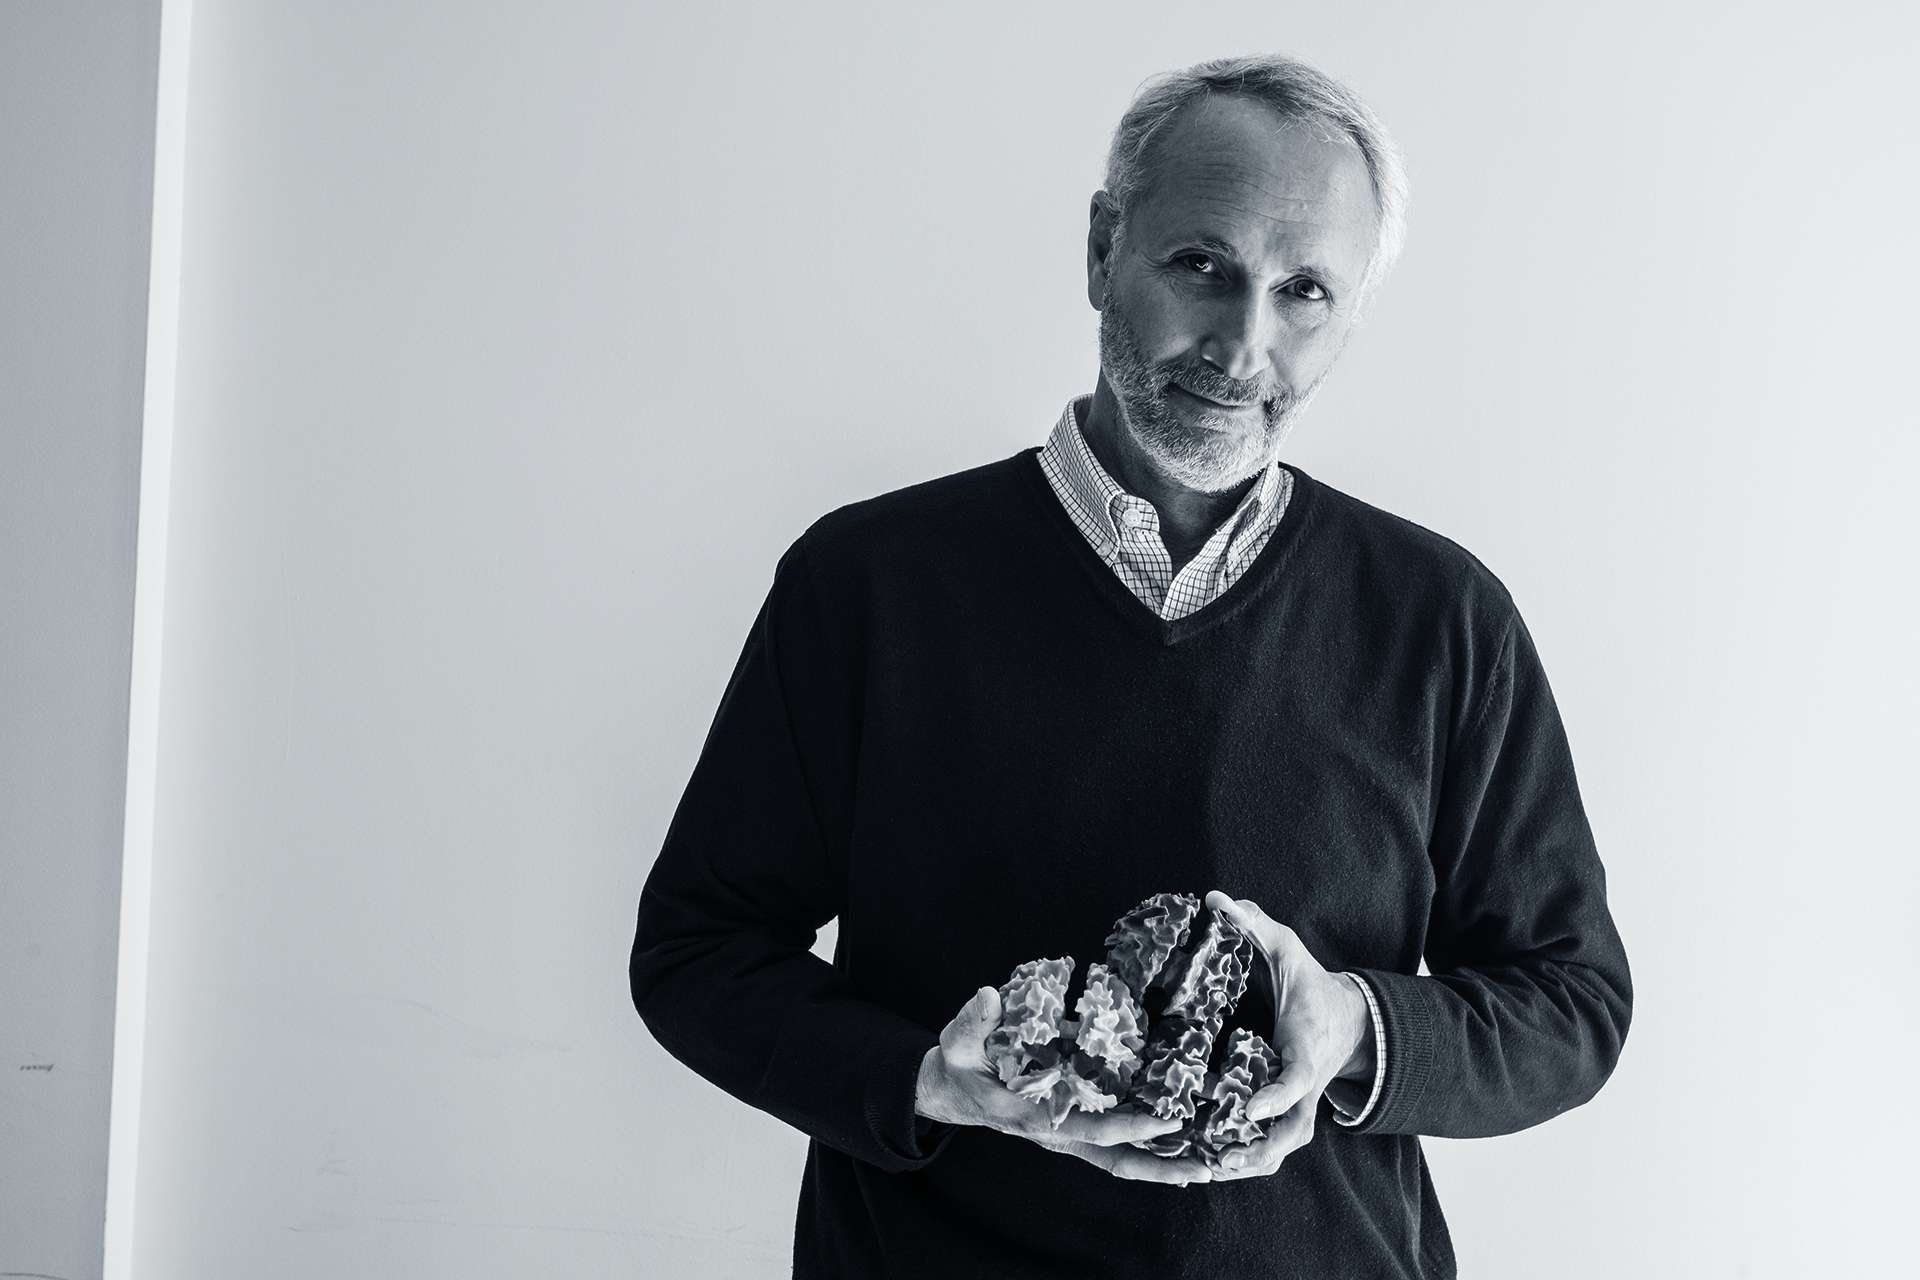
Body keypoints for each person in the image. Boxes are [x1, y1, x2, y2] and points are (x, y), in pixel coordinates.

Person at [630, 51, 1632, 1279]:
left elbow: (1571, 1001)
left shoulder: (1445, 619)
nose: (1242, 345)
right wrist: (924, 1078)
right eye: (1201, 264)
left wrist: (1356, 1026)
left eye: (1304, 290)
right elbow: (698, 950)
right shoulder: (865, 583)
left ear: (1350, 314)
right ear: (1105, 248)